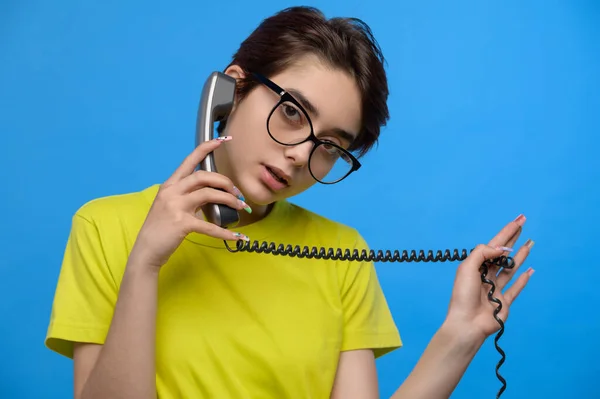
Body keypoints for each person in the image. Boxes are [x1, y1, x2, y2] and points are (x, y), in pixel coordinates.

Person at [45, 6, 535, 399]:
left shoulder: (341, 254)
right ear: (232, 89)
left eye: (329, 145)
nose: (301, 154)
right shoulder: (106, 226)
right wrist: (145, 263)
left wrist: (460, 335)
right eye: (293, 113)